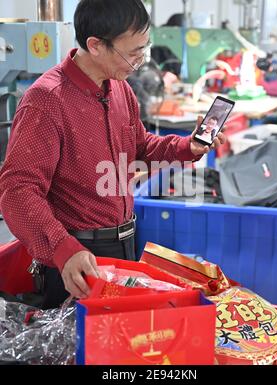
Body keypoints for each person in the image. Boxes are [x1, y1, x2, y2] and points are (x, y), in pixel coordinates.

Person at [0, 0, 226, 309]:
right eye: (132, 53)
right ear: (95, 45)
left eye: (143, 50)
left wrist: (188, 147)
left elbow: (141, 148)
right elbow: (18, 191)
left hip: (124, 245)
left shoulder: (120, 90)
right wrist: (64, 249)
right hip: (77, 261)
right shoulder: (46, 101)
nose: (139, 61)